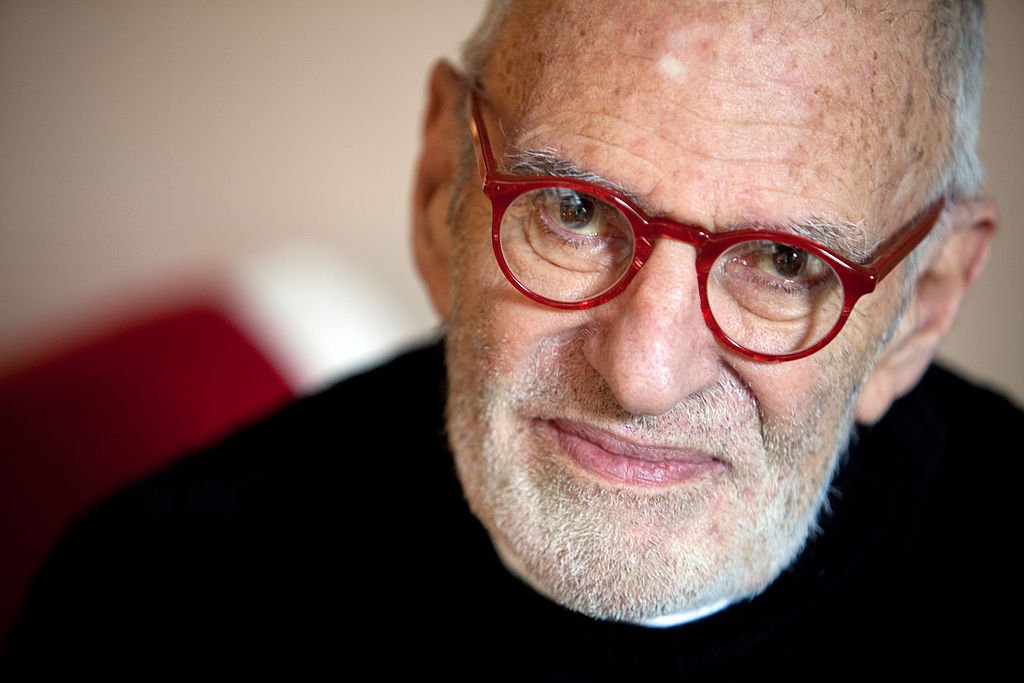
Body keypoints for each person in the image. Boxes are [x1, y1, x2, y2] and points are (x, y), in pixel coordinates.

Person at [2, 0, 1020, 678]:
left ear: (921, 305)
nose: (641, 374)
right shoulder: (149, 614)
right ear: (441, 183)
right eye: (573, 209)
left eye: (788, 264)